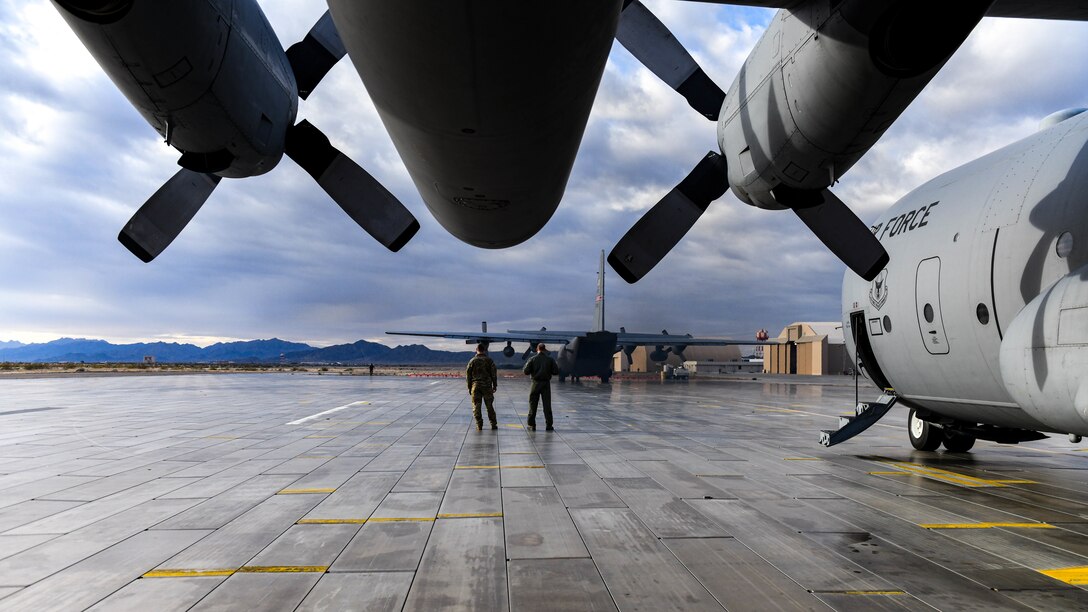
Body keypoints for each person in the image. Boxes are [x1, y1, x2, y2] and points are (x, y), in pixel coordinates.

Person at [522, 343, 559, 431]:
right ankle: (549, 425)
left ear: (537, 349)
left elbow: (525, 371)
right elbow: (556, 371)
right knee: (547, 405)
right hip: (546, 384)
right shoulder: (550, 360)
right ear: (544, 349)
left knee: (533, 404)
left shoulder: (532, 359)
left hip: (535, 383)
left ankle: (531, 425)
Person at [466, 343, 498, 431]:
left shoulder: (472, 361)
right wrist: (494, 385)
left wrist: (469, 387)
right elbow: (493, 374)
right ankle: (493, 424)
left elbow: (468, 376)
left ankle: (479, 425)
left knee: (476, 406)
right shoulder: (489, 361)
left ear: (476, 350)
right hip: (487, 387)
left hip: (475, 387)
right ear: (484, 350)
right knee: (489, 406)